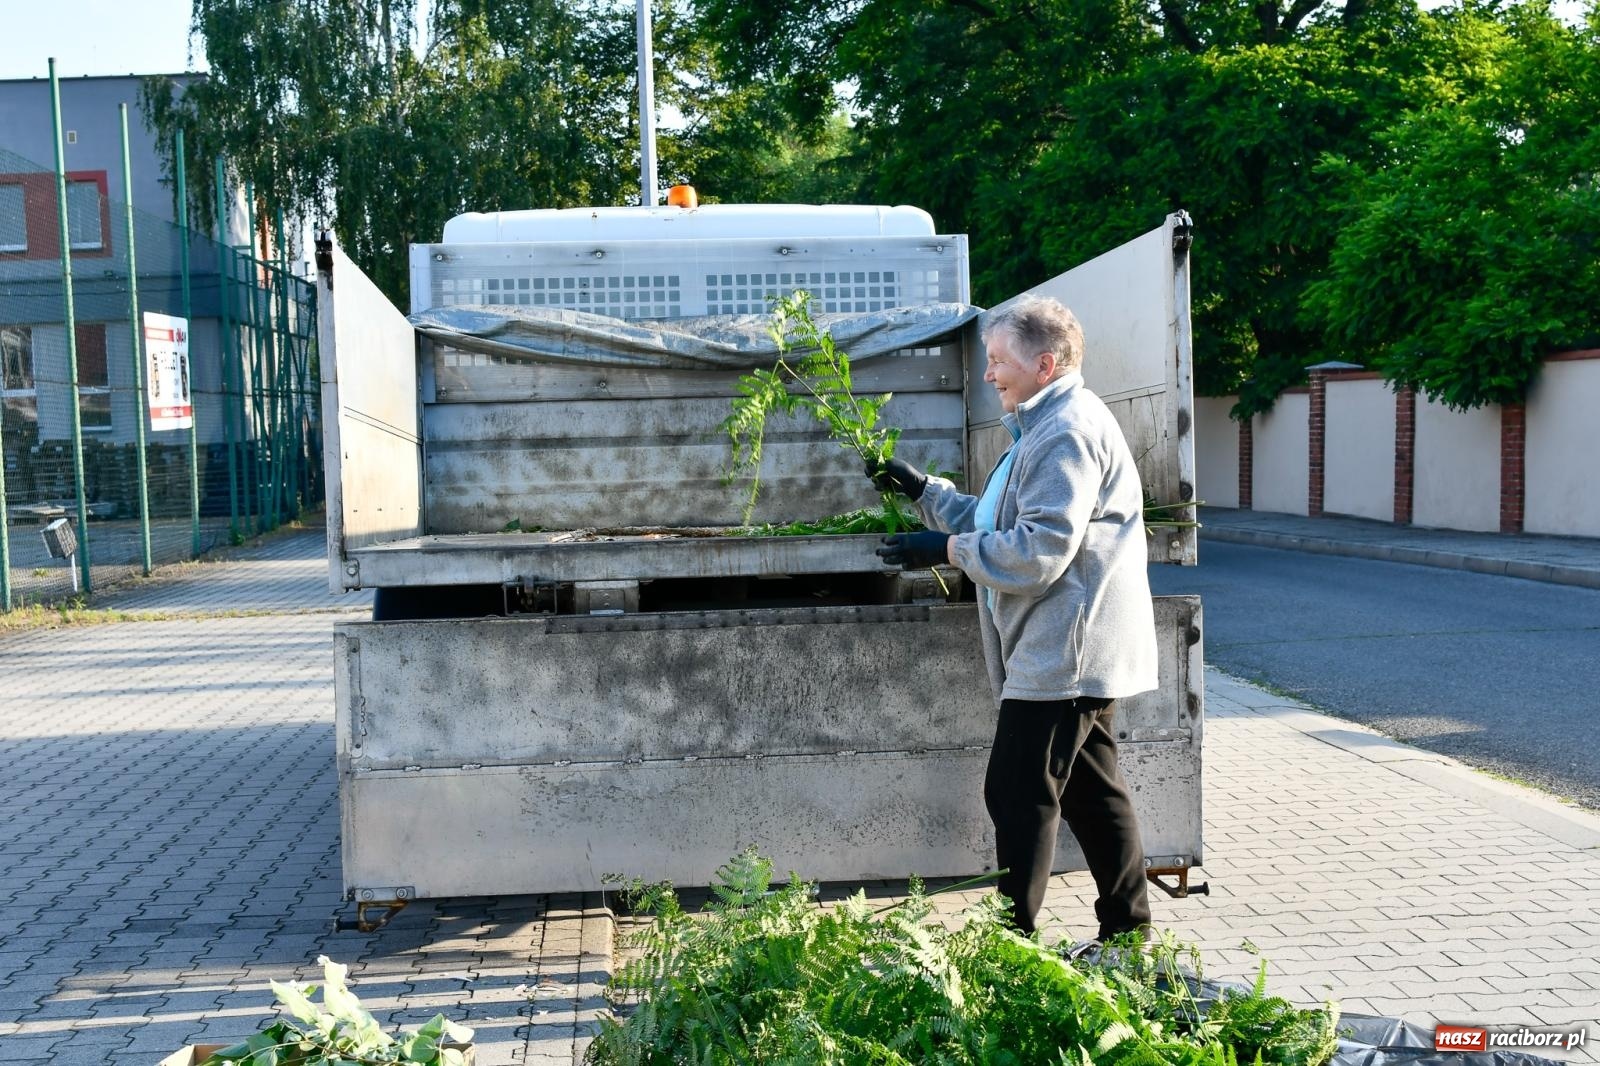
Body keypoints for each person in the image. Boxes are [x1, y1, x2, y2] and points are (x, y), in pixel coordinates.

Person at [868, 295, 1158, 943]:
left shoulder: (1067, 433)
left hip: (1065, 651)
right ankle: (1129, 934)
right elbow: (1001, 522)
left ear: (1045, 364)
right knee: (1090, 792)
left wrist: (946, 551)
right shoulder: (1042, 425)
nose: (990, 374)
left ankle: (1012, 945)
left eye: (999, 361)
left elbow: (1040, 551)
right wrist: (925, 493)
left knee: (1018, 793)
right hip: (1064, 644)